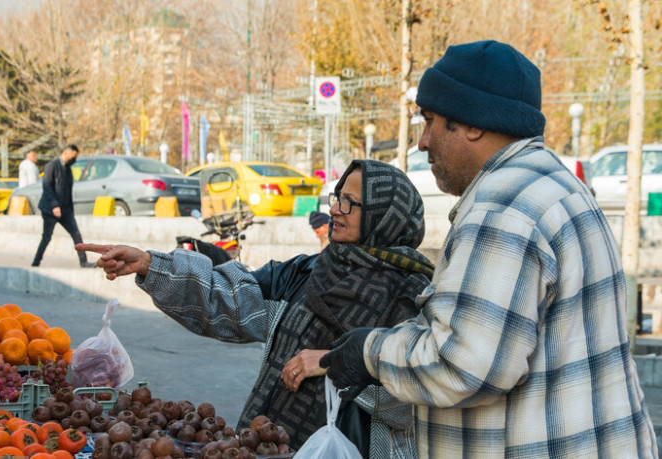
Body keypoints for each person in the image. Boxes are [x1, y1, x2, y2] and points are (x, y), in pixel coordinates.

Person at [319, 40, 656, 457]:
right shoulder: (557, 183)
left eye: (430, 121)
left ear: (472, 124)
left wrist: (370, 351)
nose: (422, 142)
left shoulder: (503, 206)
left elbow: (462, 365)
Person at [78, 159, 434, 456]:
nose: (335, 209)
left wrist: (335, 361)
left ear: (383, 216)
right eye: (337, 197)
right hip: (267, 446)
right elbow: (224, 297)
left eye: (350, 203)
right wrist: (150, 264)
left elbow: (416, 395)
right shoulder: (306, 273)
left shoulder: (414, 297)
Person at [33, 145, 93, 268]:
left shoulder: (67, 169)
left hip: (65, 210)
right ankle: (35, 263)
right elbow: (47, 186)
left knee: (76, 234)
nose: (74, 159)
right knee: (46, 237)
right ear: (66, 153)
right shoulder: (52, 166)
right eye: (73, 156)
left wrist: (69, 210)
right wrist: (54, 205)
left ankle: (84, 262)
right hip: (50, 209)